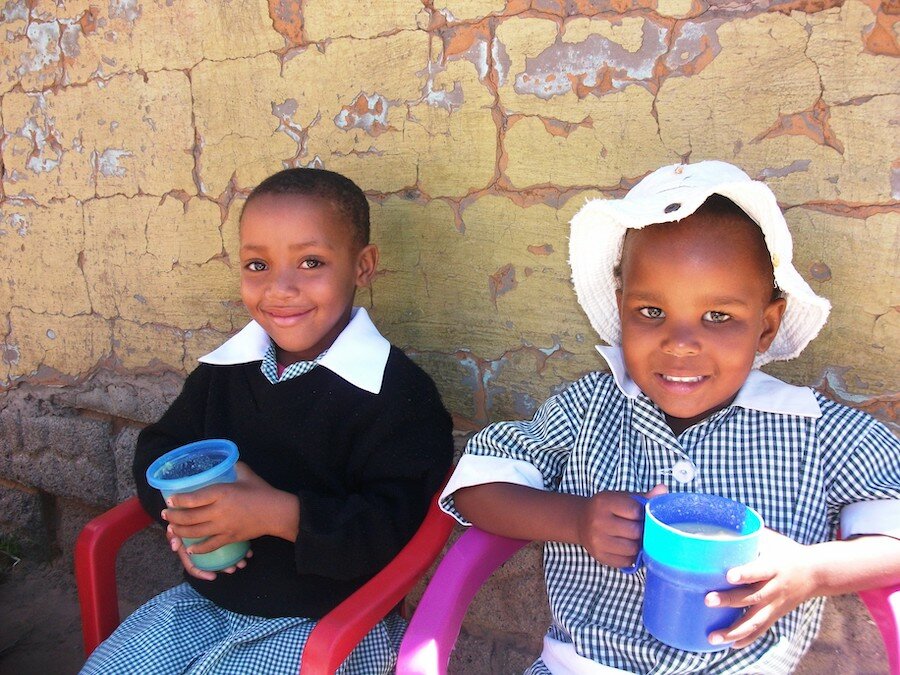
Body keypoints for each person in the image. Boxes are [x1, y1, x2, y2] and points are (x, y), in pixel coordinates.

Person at [440, 161, 900, 674]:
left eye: (718, 316)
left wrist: (811, 571)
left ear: (768, 326)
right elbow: (477, 487)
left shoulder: (818, 433)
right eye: (652, 312)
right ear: (621, 310)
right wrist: (573, 518)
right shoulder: (589, 409)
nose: (680, 344)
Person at [82, 168, 454, 674]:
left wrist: (277, 515)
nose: (280, 288)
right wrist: (182, 518)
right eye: (258, 264)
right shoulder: (224, 372)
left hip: (327, 624)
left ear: (363, 267)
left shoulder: (398, 396)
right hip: (202, 606)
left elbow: (394, 529)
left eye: (311, 262)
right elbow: (160, 449)